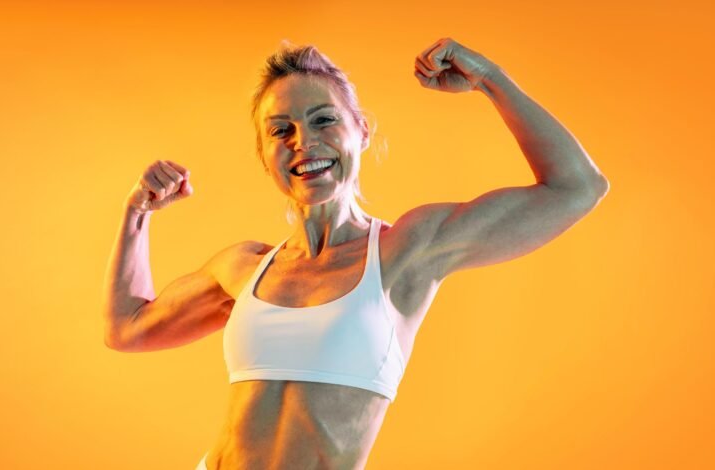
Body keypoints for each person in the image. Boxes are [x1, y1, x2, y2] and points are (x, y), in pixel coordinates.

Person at [102, 37, 609, 470]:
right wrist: (137, 213)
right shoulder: (243, 267)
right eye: (281, 130)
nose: (304, 141)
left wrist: (489, 78)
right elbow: (127, 329)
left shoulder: (407, 248)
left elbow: (576, 187)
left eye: (324, 120)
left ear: (361, 132)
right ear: (264, 154)